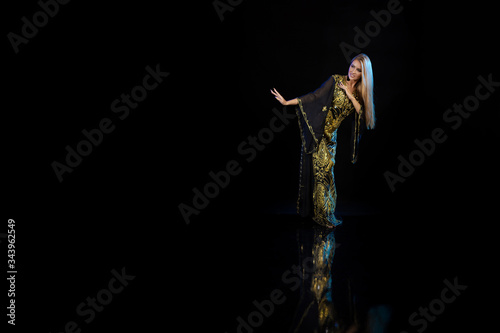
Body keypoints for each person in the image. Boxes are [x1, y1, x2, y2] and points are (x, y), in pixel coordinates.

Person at [271, 54, 375, 228]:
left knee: (327, 175)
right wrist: (287, 102)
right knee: (320, 173)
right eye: (352, 66)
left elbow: (363, 115)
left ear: (364, 74)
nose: (353, 71)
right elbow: (315, 97)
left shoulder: (358, 94)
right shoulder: (335, 80)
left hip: (331, 140)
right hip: (318, 132)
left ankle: (325, 212)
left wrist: (349, 95)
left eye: (358, 70)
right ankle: (321, 216)